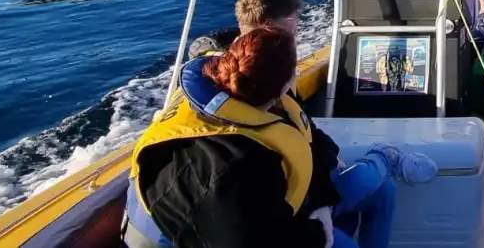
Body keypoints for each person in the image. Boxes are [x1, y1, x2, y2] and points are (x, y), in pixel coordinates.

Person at [185, 0, 433, 248]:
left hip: (300, 189)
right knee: (367, 181)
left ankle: (383, 160)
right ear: (276, 25)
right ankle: (385, 156)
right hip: (280, 212)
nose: (299, 28)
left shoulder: (262, 70)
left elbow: (303, 130)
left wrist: (324, 181)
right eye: (295, 20)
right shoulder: (255, 78)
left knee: (383, 190)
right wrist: (318, 204)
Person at [124, 27, 350, 248]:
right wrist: (317, 235)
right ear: (283, 85)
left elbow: (312, 141)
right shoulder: (238, 164)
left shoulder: (215, 95)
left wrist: (322, 199)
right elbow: (244, 237)